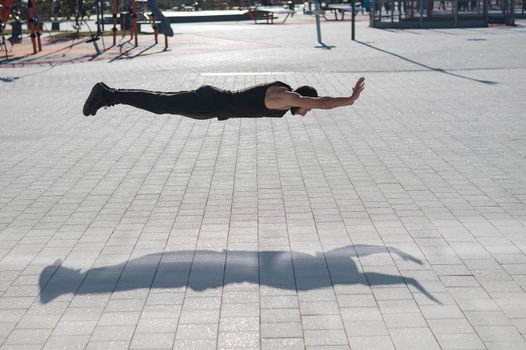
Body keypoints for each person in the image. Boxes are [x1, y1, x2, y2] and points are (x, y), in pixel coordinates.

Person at [82, 77, 365, 120]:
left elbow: (321, 100)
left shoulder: (283, 93)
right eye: (308, 108)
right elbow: (323, 102)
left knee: (161, 102)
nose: (307, 112)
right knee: (160, 104)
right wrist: (350, 99)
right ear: (304, 101)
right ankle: (109, 94)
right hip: (209, 104)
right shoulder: (287, 98)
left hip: (211, 102)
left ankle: (110, 95)